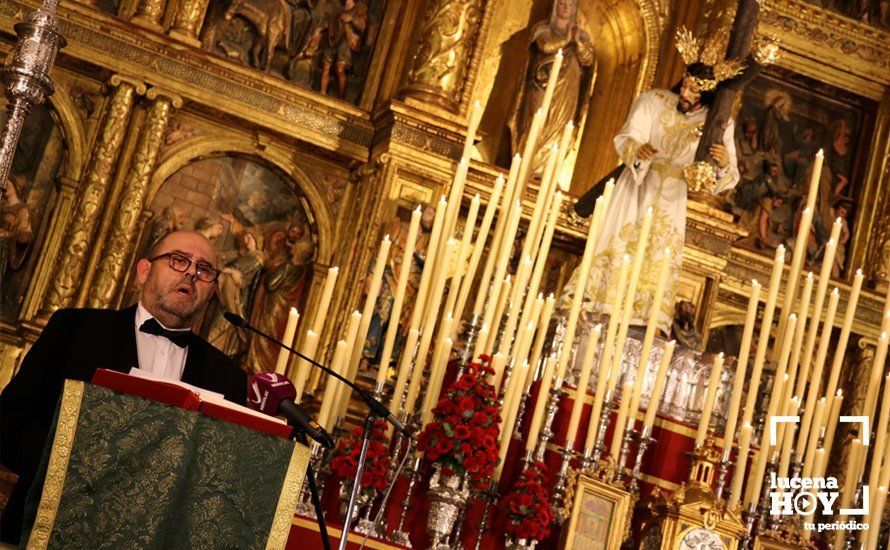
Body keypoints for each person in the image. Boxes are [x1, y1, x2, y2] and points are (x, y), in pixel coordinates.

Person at [0, 230, 247, 544]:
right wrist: (72, 470)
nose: (191, 273)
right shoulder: (74, 330)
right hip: (51, 526)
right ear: (144, 270)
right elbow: (9, 420)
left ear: (211, 291)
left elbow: (222, 479)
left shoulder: (228, 377)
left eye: (204, 270)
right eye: (178, 260)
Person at [560, 62, 740, 335]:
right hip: (635, 187)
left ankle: (639, 322)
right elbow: (628, 136)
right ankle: (597, 307)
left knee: (656, 258)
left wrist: (723, 163)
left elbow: (728, 175)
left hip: (672, 199)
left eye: (695, 91)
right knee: (619, 244)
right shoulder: (653, 100)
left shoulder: (719, 122)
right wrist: (637, 149)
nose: (686, 95)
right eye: (685, 86)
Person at [508, 0, 595, 175]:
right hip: (542, 84)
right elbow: (546, 46)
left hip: (566, 90)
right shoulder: (543, 29)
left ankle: (545, 172)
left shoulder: (582, 35)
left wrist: (577, 41)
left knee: (560, 126)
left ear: (574, 8)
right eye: (562, 4)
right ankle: (525, 165)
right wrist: (567, 40)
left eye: (569, 5)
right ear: (555, 6)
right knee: (535, 121)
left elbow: (588, 59)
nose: (565, 8)